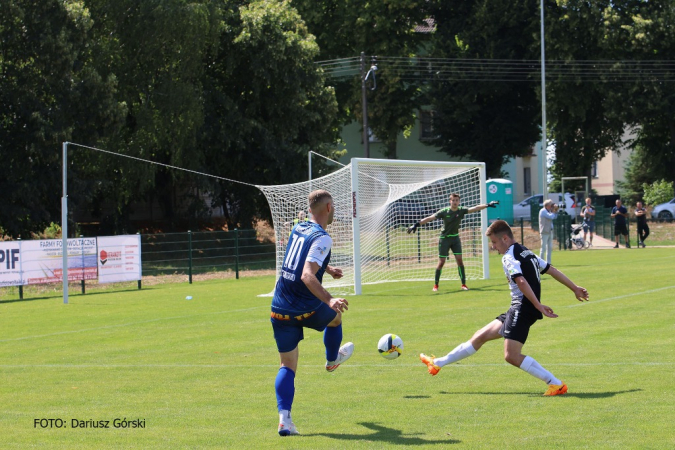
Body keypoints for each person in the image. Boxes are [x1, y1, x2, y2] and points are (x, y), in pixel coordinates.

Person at [419, 220, 589, 396]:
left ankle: (556, 384)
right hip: (519, 308)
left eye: (494, 242)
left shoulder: (509, 256)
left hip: (522, 309)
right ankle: (438, 363)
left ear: (505, 238)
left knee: (511, 356)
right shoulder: (526, 252)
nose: (493, 247)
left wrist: (538, 305)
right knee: (479, 336)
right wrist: (574, 288)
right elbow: (551, 270)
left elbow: (521, 281)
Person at [271, 189, 354, 436]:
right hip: (305, 307)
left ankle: (284, 421)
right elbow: (307, 274)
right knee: (336, 316)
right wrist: (329, 299)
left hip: (279, 308)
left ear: (310, 209)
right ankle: (331, 360)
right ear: (328, 208)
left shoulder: (299, 227)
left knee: (287, 365)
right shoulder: (323, 237)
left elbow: (300, 258)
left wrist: (327, 269)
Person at [407, 193, 498, 292]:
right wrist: (416, 225)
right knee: (441, 262)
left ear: (459, 201)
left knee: (459, 261)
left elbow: (475, 208)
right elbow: (430, 218)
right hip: (444, 239)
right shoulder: (444, 212)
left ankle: (463, 284)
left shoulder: (461, 210)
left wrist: (487, 205)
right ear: (450, 201)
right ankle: (436, 285)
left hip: (455, 239)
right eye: (453, 200)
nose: (455, 202)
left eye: (457, 200)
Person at [538, 199, 559, 264]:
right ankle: (541, 262)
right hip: (544, 231)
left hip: (550, 231)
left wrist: (556, 210)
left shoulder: (549, 211)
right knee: (543, 247)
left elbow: (555, 217)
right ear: (547, 205)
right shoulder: (543, 211)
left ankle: (548, 263)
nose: (552, 206)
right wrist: (553, 211)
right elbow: (551, 217)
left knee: (549, 247)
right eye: (551, 205)